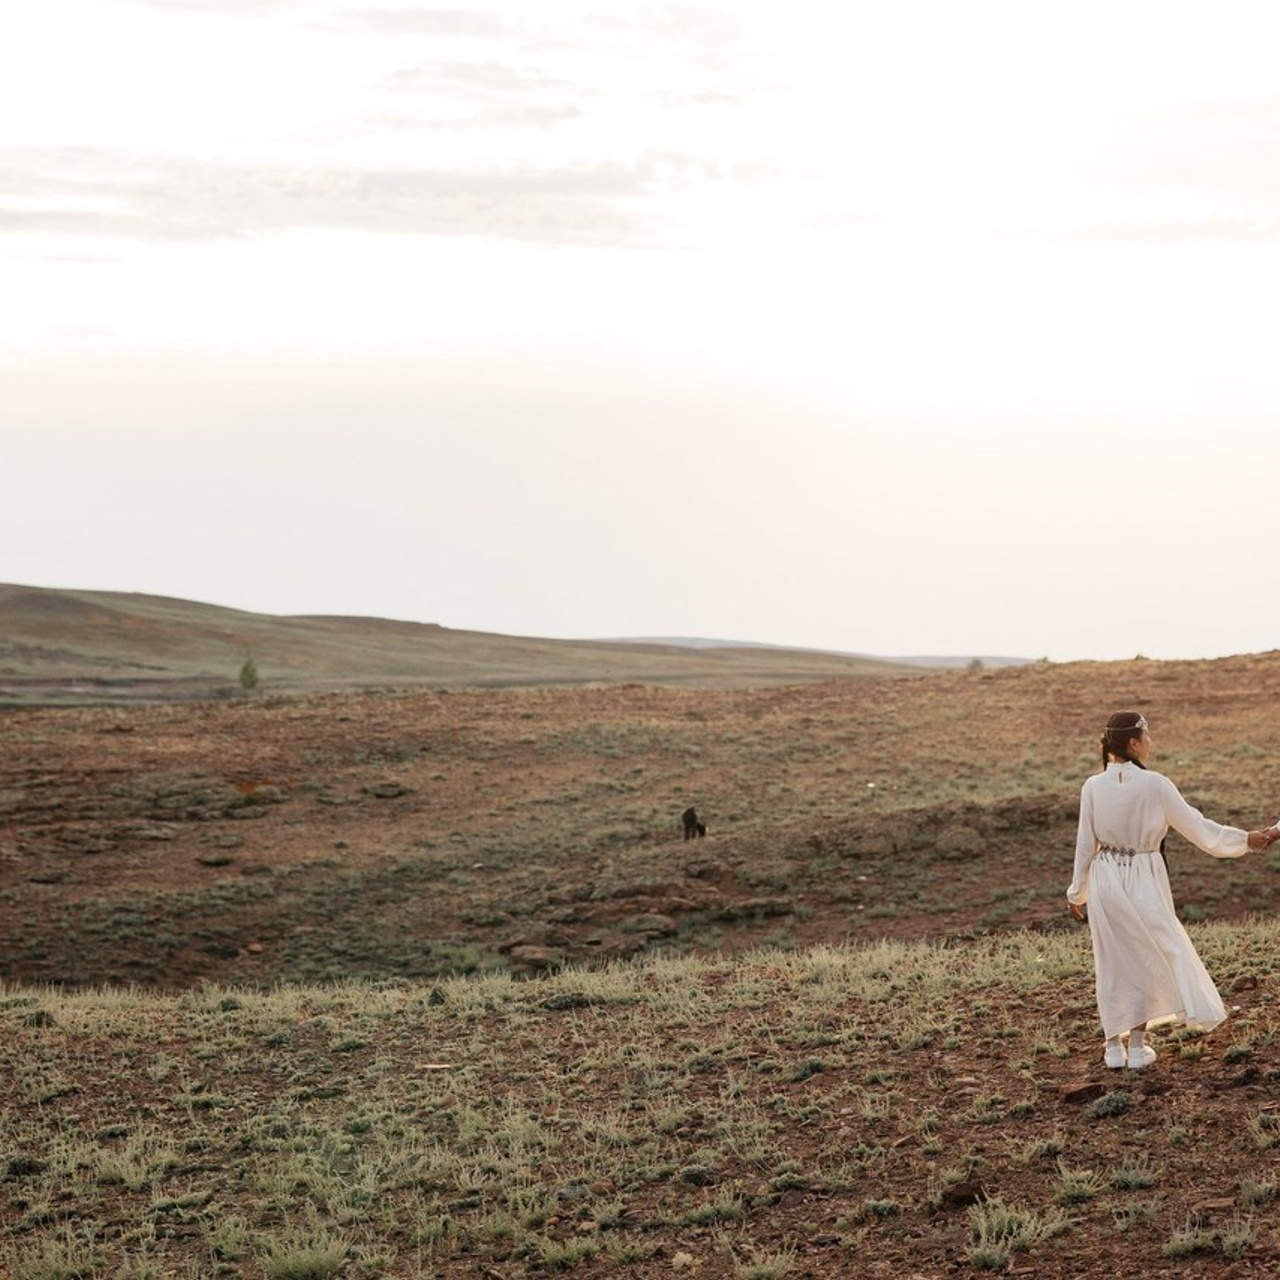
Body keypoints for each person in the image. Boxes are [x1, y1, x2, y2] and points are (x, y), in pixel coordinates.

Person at [1067, 711, 1276, 1070]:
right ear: (1133, 743)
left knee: (1113, 960)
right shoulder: (1157, 784)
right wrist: (1248, 841)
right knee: (1149, 956)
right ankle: (1135, 1047)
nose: (1151, 741)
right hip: (1144, 877)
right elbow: (1200, 829)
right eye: (1147, 735)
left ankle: (1112, 1049)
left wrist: (1077, 893)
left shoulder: (1092, 786)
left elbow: (1086, 845)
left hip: (1105, 877)